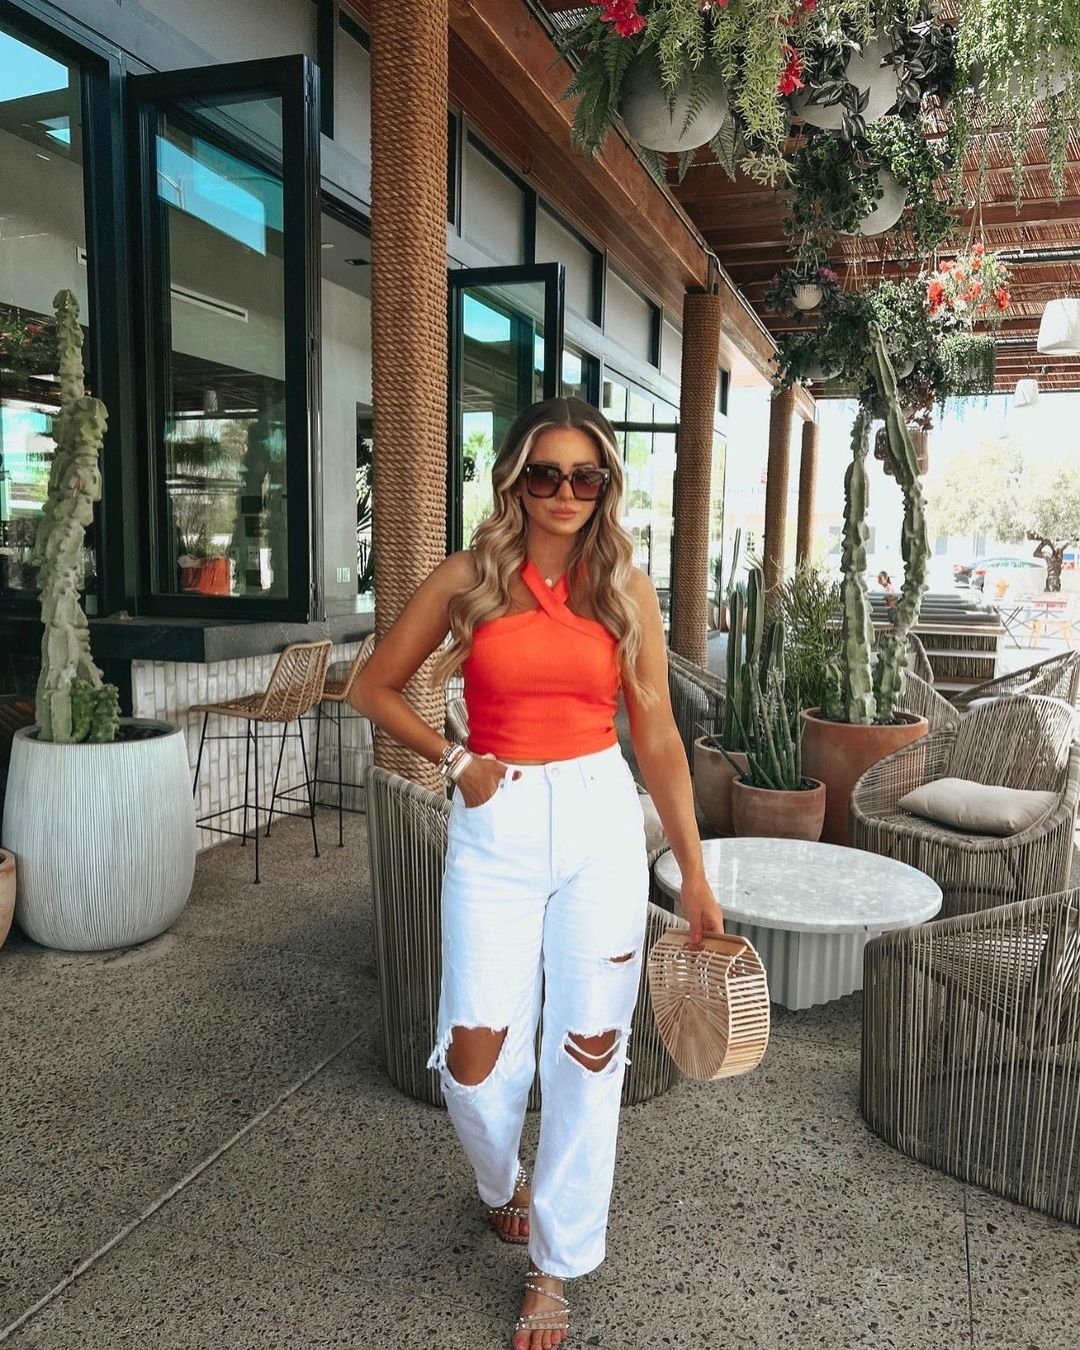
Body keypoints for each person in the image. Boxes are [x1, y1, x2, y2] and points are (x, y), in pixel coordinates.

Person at [351, 396, 724, 1350]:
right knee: (475, 1066)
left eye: (585, 476)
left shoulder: (622, 587)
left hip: (600, 816)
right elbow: (371, 686)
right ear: (515, 481)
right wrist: (453, 760)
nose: (565, 492)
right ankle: (499, 1181)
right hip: (497, 816)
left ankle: (555, 1263)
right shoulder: (468, 576)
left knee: (589, 1052)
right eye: (545, 473)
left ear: (606, 488)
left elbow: (658, 735)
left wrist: (692, 872)